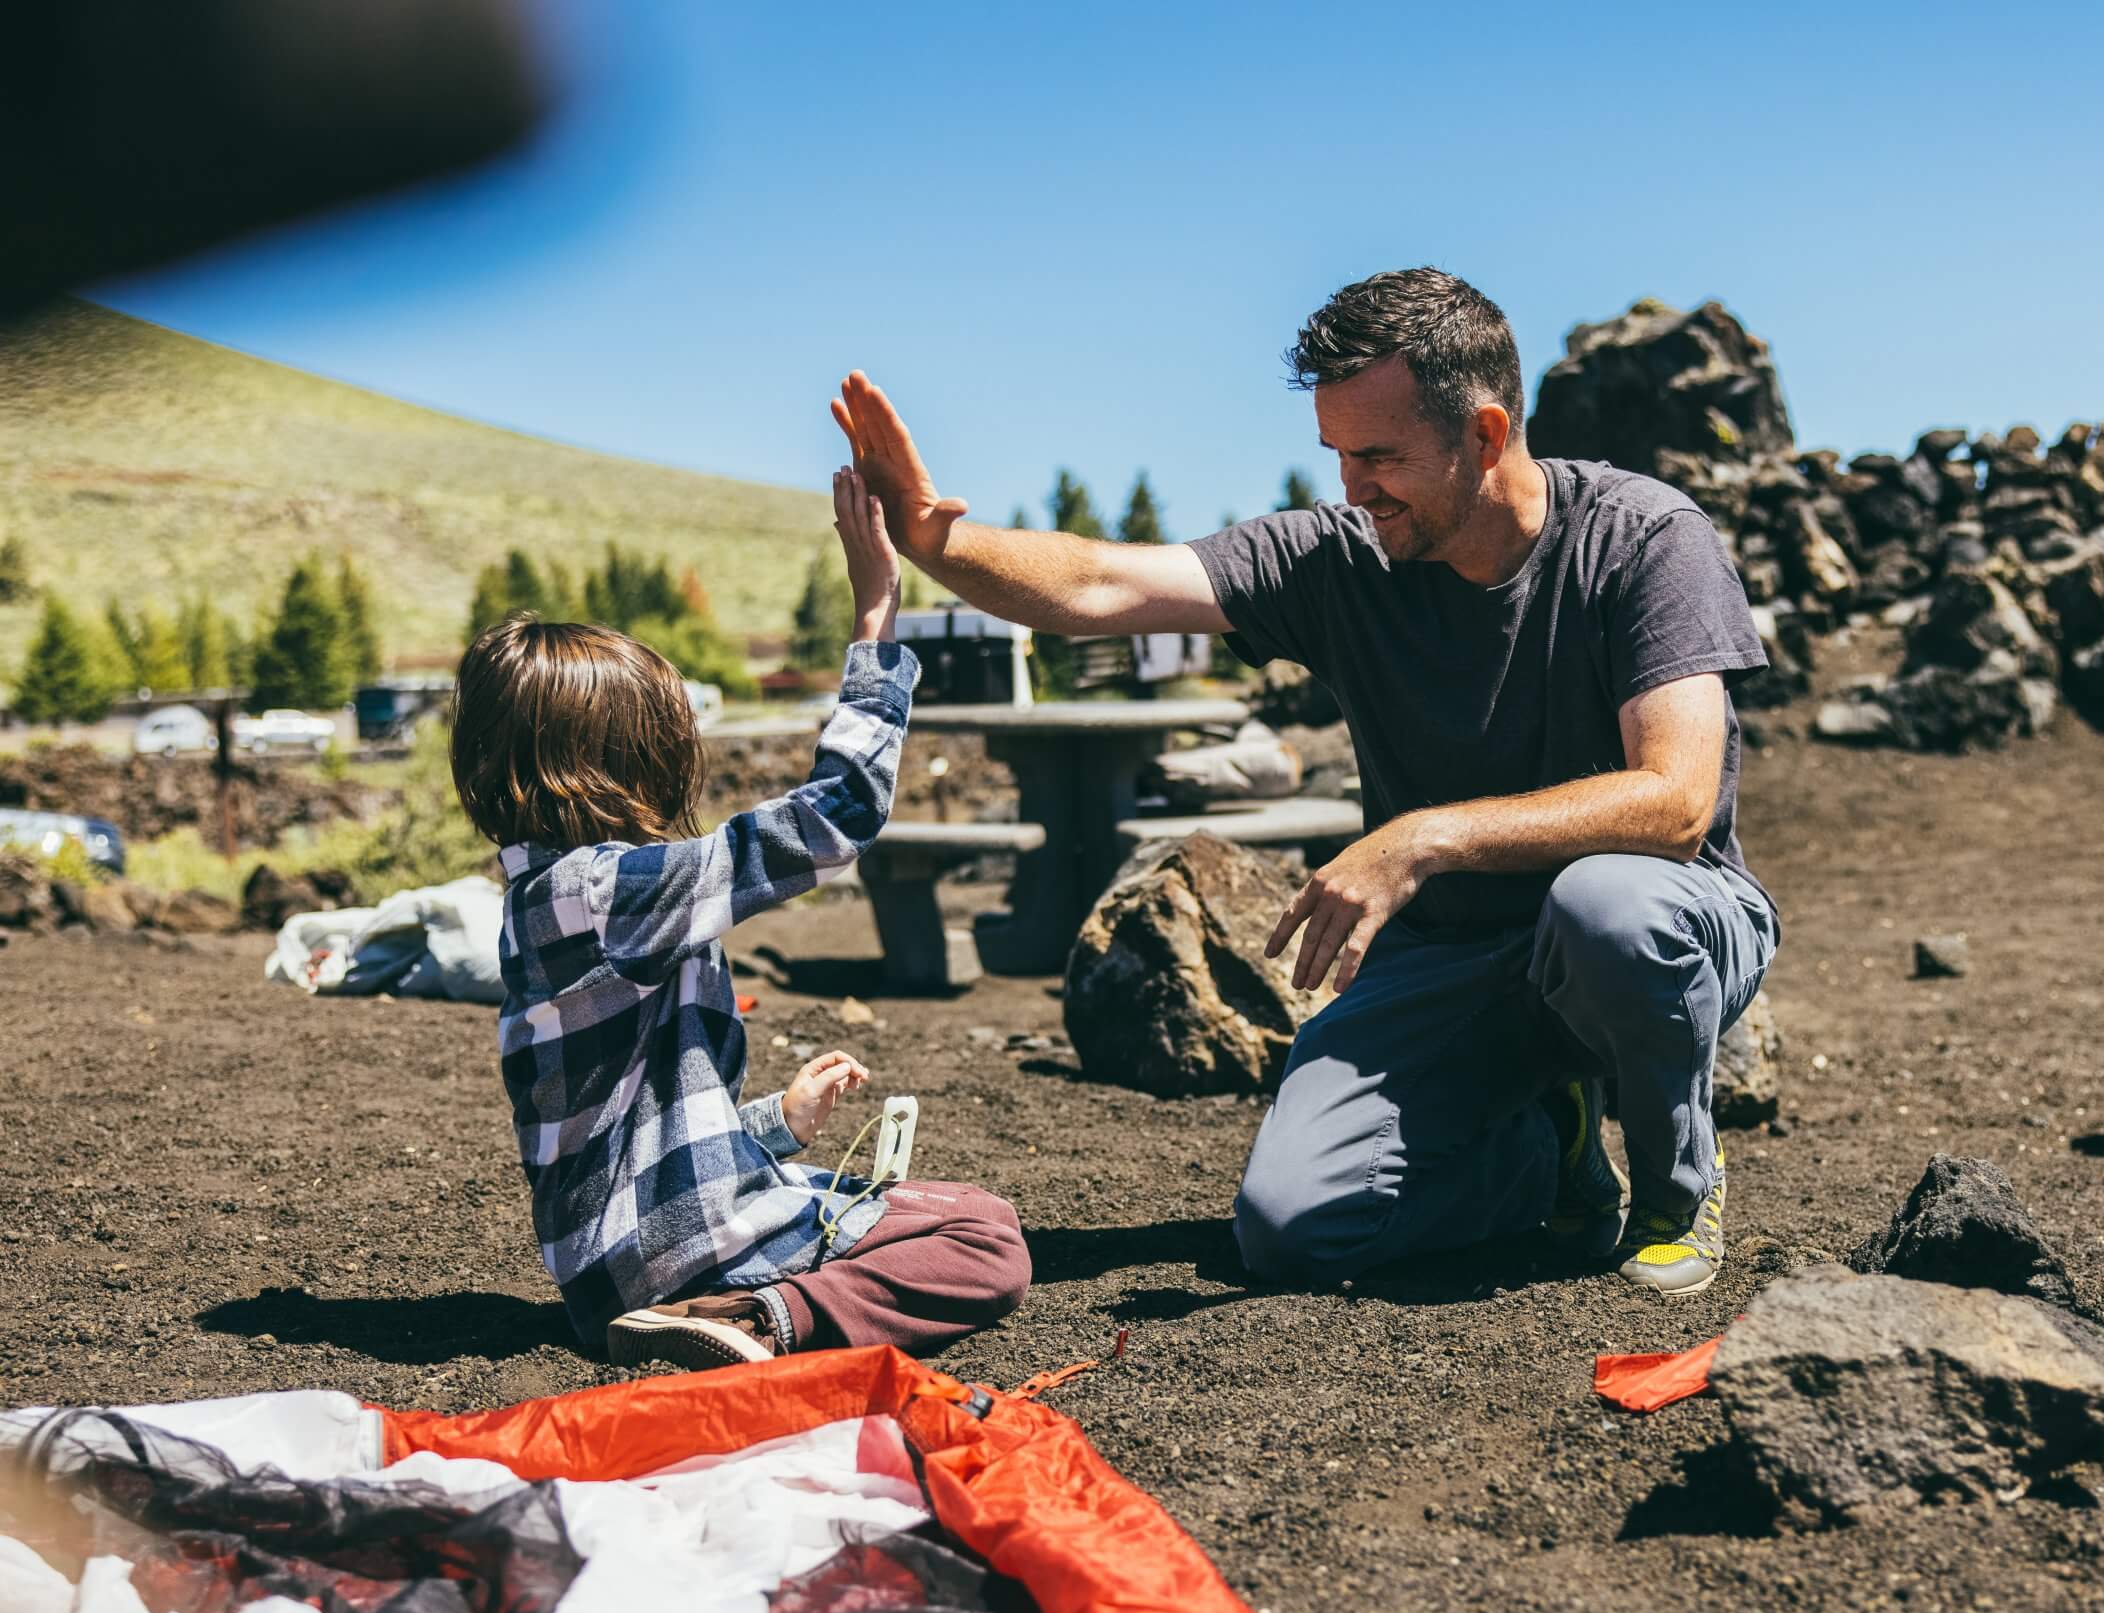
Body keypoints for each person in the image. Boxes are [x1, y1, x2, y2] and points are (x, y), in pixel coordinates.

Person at [830, 267, 1778, 1296]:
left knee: (1607, 906)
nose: (1351, 488)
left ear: (1486, 433)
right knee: (1292, 1231)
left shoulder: (1643, 540)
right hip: (1452, 955)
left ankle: (1677, 1181)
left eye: (1378, 456)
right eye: (1336, 455)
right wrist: (939, 540)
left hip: (1654, 918)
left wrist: (1422, 837)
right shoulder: (1341, 558)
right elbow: (1104, 584)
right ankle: (1546, 1141)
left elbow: (1676, 803)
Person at [447, 463, 1031, 1368]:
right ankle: (762, 1319)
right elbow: (831, 821)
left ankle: (740, 1310)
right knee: (986, 1236)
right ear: (613, 761)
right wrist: (876, 620)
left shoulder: (550, 900)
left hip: (614, 1263)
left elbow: (627, 1135)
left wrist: (774, 1122)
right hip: (676, 1251)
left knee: (957, 1214)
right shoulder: (601, 891)